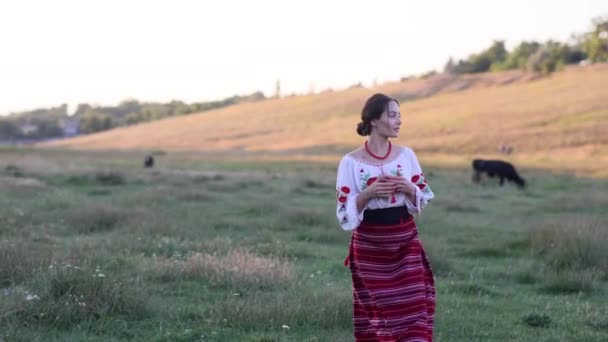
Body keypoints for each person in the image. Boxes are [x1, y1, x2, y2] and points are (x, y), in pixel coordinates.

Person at [335, 93, 436, 341]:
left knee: (415, 308)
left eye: (400, 116)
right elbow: (343, 212)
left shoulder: (407, 156)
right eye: (392, 115)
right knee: (380, 318)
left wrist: (409, 188)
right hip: (369, 248)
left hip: (405, 242)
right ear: (374, 121)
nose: (399, 121)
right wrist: (368, 194)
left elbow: (422, 195)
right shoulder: (350, 162)